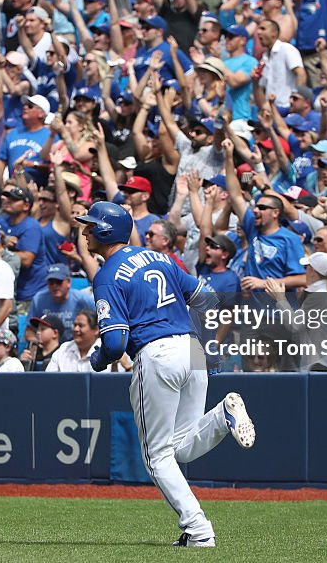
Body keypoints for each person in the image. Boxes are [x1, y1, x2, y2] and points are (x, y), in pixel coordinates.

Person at [75, 201, 254, 547]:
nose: (85, 231)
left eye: (90, 225)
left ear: (104, 231)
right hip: (191, 347)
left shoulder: (108, 275)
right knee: (181, 448)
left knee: (157, 456)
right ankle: (222, 414)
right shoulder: (160, 258)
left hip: (157, 353)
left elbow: (115, 342)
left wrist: (98, 359)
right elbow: (207, 297)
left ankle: (199, 531)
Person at [27, 263, 94, 341]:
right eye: (51, 282)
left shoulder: (83, 299)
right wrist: (36, 342)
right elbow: (29, 330)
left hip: (76, 344)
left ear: (68, 282)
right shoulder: (39, 299)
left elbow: (97, 324)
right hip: (48, 346)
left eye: (58, 282)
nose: (54, 286)